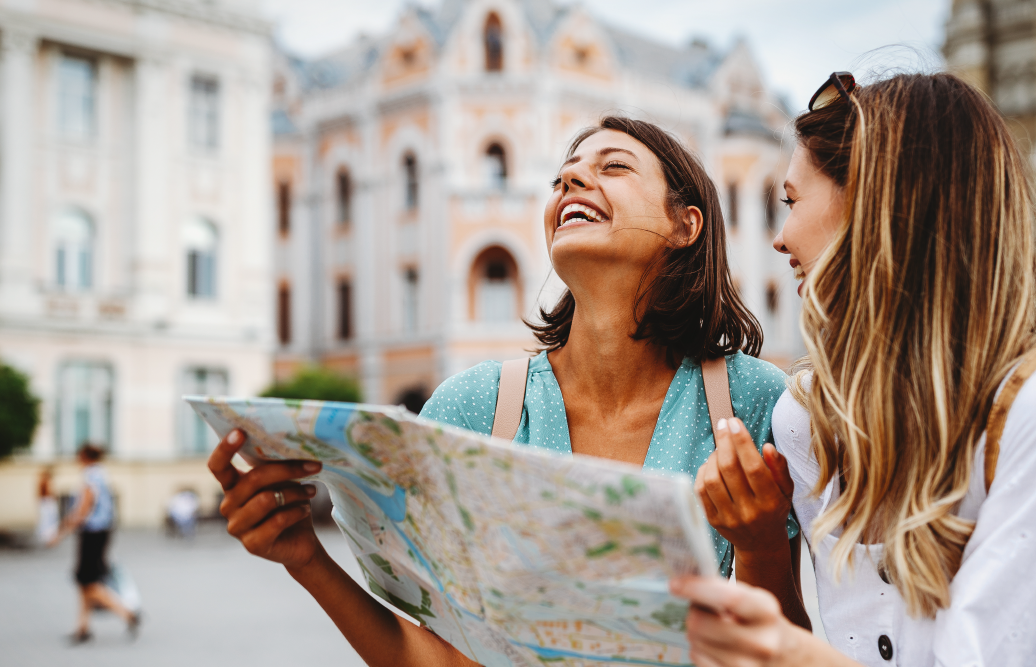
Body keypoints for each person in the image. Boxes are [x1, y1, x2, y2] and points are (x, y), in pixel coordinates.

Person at [208, 116, 807, 665]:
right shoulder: (473, 405)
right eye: (563, 175)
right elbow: (442, 658)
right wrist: (308, 560)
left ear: (686, 224)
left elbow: (780, 652)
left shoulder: (752, 400)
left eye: (613, 166)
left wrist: (760, 548)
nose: (570, 177)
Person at [671, 72, 1036, 667]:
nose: (781, 238)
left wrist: (780, 650)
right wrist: (757, 545)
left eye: (791, 201)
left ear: (879, 205)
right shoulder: (807, 419)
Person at [50, 444, 140, 643]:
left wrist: (60, 532)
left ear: (84, 456)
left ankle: (128, 613)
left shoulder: (90, 476)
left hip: (92, 534)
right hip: (101, 532)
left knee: (88, 581)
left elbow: (82, 509)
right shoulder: (102, 473)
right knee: (84, 581)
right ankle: (83, 627)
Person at [36, 466, 59, 546]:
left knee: (45, 520)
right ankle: (49, 537)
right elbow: (50, 492)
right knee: (49, 520)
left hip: (43, 502)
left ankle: (46, 537)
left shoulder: (41, 481)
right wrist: (54, 497)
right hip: (48, 502)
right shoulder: (46, 481)